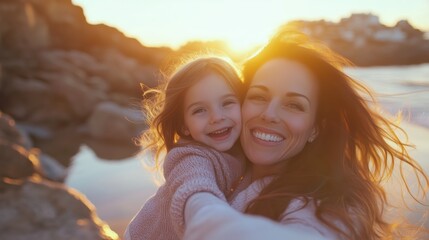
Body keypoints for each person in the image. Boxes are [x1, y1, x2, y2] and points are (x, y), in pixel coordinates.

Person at [182, 31, 429, 240]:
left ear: (315, 128)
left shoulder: (327, 207)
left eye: (294, 105)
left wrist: (196, 202)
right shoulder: (220, 170)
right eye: (259, 96)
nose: (269, 114)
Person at [124, 56, 246, 240]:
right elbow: (195, 188)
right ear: (184, 126)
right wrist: (213, 218)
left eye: (227, 102)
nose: (216, 117)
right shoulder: (189, 159)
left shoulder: (244, 150)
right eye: (199, 110)